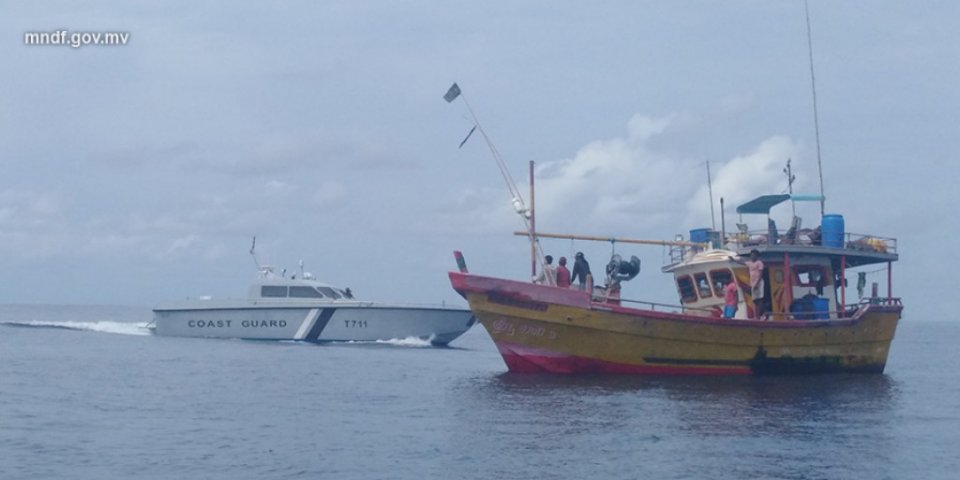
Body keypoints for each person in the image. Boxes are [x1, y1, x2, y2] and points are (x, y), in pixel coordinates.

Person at [744, 249, 765, 318]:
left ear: (756, 256)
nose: (752, 256)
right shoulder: (749, 263)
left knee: (760, 298)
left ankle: (761, 314)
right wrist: (733, 260)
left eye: (753, 255)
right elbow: (742, 262)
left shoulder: (759, 263)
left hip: (759, 283)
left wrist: (756, 284)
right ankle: (760, 313)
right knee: (755, 299)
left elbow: (760, 274)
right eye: (751, 255)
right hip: (753, 283)